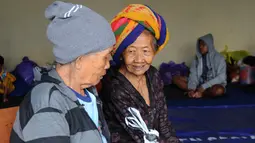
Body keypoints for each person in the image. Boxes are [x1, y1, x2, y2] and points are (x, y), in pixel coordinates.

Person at [10, 1, 115, 143]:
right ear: (80, 60)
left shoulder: (89, 93)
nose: (108, 64)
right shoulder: (48, 103)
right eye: (105, 57)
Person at [99, 4, 180, 143]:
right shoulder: (114, 86)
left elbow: (163, 123)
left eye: (145, 51)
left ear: (154, 52)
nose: (138, 60)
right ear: (122, 53)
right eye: (131, 51)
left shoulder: (153, 75)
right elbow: (139, 134)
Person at [173, 34, 226, 98]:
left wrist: (204, 86)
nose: (200, 47)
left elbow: (221, 77)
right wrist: (191, 88)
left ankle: (202, 94)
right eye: (200, 45)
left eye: (203, 45)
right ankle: (194, 92)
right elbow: (193, 74)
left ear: (209, 46)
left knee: (219, 90)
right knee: (175, 78)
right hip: (199, 83)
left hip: (212, 85)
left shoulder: (219, 58)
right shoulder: (197, 58)